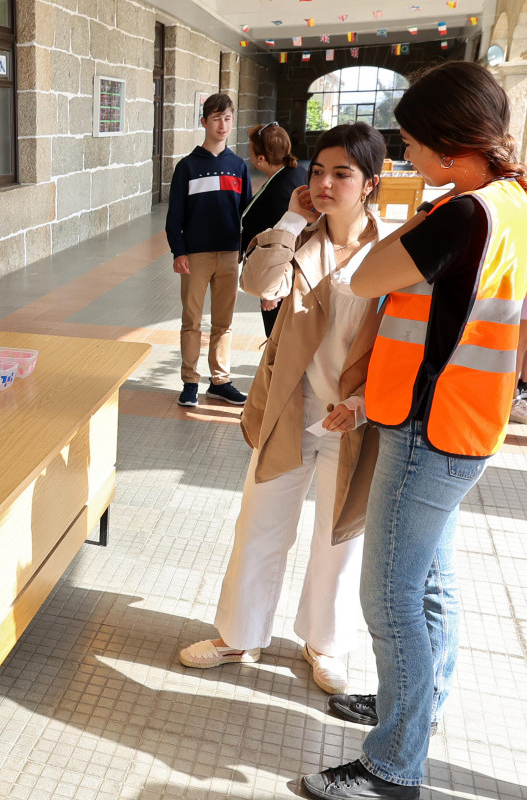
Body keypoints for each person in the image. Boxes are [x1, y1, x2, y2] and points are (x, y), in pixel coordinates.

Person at [303, 61, 527, 800]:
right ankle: (417, 711)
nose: (404, 158)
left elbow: (364, 278)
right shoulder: (510, 201)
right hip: (459, 422)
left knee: (390, 597)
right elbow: (444, 323)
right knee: (431, 581)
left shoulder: (462, 213)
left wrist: (418, 214)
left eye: (411, 145)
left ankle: (393, 765)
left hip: (432, 434)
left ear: (447, 146)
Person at [179, 123, 388, 696]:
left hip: (349, 420)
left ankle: (325, 644)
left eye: (341, 173)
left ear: (370, 183)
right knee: (260, 525)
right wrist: (292, 221)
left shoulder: (390, 251)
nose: (324, 182)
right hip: (287, 410)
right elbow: (257, 282)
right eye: (318, 171)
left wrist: (363, 404)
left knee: (339, 540)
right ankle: (239, 636)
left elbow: (403, 345)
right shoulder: (299, 236)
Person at [166, 92, 253, 408]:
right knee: (191, 321)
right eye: (216, 117)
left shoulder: (238, 166)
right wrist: (179, 251)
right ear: (204, 121)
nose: (223, 124)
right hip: (196, 256)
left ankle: (221, 381)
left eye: (228, 118)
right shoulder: (187, 167)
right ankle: (190, 381)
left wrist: (247, 252)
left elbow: (248, 213)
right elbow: (174, 215)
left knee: (223, 323)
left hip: (230, 255)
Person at [240, 121, 308, 337]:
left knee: (278, 338)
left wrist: (272, 293)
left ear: (261, 158)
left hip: (278, 280)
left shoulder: (282, 190)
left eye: (251, 149)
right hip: (275, 276)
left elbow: (285, 239)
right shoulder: (291, 173)